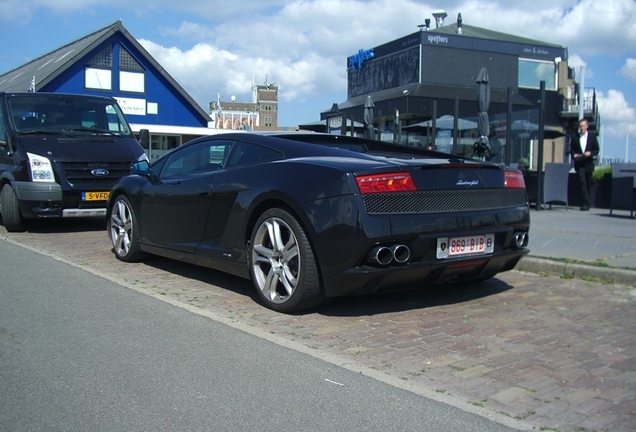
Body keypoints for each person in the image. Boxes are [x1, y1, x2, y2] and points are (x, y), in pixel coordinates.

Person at [570, 118, 600, 211]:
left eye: (583, 126)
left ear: (587, 126)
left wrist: (590, 153)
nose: (582, 128)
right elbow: (571, 149)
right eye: (580, 126)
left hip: (588, 163)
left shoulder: (592, 136)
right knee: (582, 182)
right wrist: (574, 155)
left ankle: (586, 202)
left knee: (588, 183)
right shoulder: (575, 136)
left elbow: (597, 149)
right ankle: (585, 204)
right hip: (579, 163)